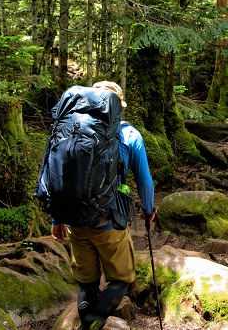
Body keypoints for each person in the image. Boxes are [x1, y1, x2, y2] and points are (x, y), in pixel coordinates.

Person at [51, 81, 156, 330]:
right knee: (122, 279)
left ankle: (87, 324)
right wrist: (149, 209)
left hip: (75, 219)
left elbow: (57, 174)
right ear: (118, 107)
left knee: (87, 284)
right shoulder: (130, 135)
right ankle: (92, 325)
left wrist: (57, 219)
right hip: (108, 220)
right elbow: (145, 181)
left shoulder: (71, 129)